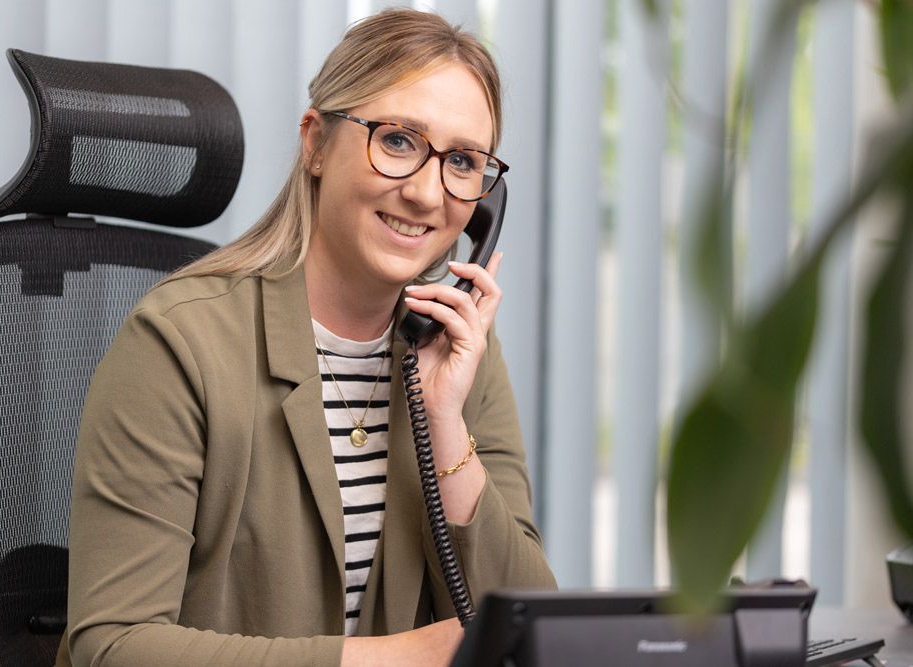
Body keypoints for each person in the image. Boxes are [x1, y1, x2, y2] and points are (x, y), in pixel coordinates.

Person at [57, 8, 556, 667]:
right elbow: (111, 645)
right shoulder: (178, 343)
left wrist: (445, 423)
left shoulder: (458, 355)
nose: (428, 194)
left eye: (462, 161)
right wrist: (391, 659)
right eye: (399, 140)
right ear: (316, 142)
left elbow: (530, 634)